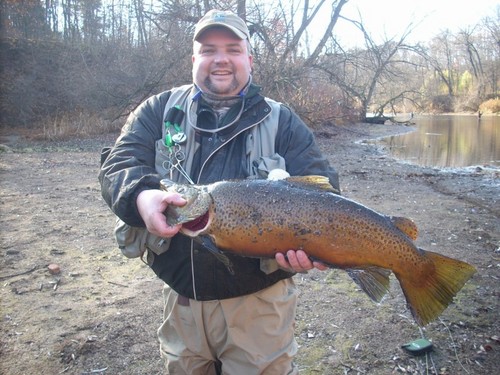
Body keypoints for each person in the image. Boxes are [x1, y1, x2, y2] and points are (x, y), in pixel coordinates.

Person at [99, 9, 339, 375]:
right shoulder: (157, 110)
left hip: (260, 306)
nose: (220, 59)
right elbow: (118, 164)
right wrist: (141, 196)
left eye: (232, 48)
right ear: (194, 59)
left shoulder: (283, 121)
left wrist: (313, 245)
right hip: (180, 303)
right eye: (208, 49)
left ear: (249, 59)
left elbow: (326, 190)